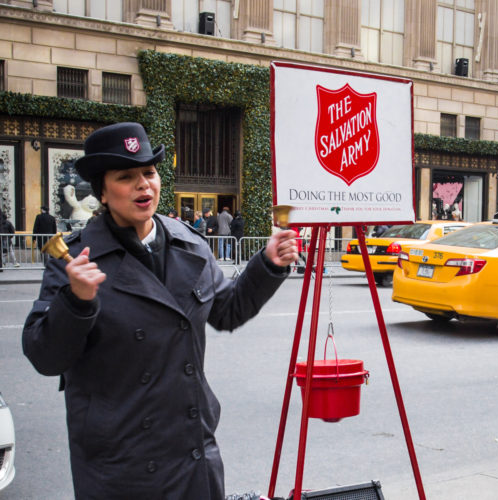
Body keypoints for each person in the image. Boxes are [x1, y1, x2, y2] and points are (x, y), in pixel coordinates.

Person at [22, 122, 299, 499]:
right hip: (119, 464)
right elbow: (45, 356)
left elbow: (228, 311)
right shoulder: (75, 257)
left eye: (149, 173)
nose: (143, 185)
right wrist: (76, 300)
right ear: (103, 193)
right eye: (126, 176)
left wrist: (267, 264)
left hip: (192, 452)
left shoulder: (189, 243)